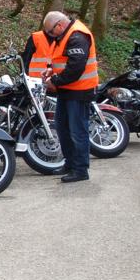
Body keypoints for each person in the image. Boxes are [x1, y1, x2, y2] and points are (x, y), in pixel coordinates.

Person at [40, 11, 98, 183]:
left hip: (79, 91)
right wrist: (51, 71)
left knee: (77, 131)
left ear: (59, 25)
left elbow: (75, 67)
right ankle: (70, 163)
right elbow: (64, 60)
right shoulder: (66, 35)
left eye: (50, 32)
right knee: (63, 128)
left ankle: (80, 169)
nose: (50, 35)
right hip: (67, 90)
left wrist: (55, 81)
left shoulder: (77, 36)